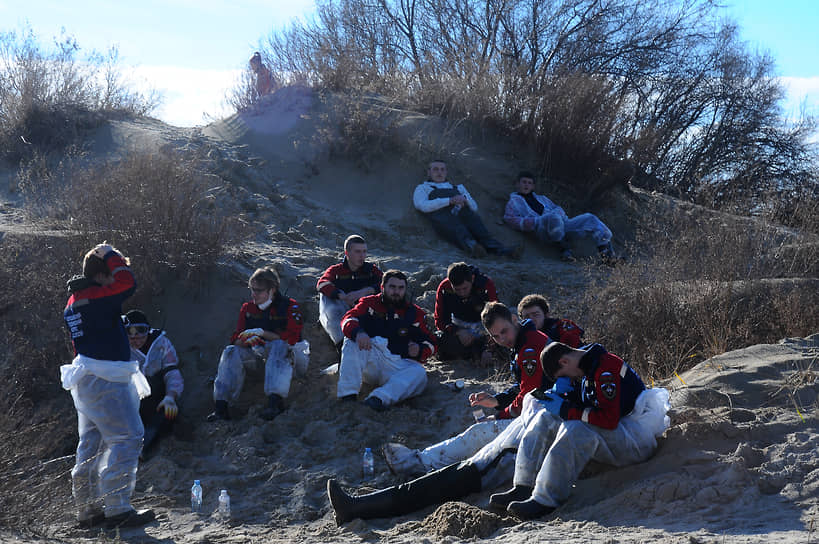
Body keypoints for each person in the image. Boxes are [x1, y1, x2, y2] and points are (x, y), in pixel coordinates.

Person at [327, 342, 670, 525]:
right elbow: (522, 419)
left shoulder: (583, 383)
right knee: (471, 447)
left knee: (452, 477)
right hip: (505, 446)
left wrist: (564, 407)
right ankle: (391, 481)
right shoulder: (554, 396)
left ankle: (363, 506)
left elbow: (584, 421)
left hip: (503, 457)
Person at [490, 341, 670, 519]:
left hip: (634, 438)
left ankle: (546, 499)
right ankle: (523, 486)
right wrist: (562, 395)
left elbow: (609, 419)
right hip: (614, 433)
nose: (570, 379)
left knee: (575, 426)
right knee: (546, 417)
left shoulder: (605, 368)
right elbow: (589, 401)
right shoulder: (584, 363)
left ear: (564, 362)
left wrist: (567, 409)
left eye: (564, 375)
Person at [382, 301, 550, 476]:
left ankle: (420, 463)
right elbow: (524, 386)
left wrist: (500, 415)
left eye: (504, 331)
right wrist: (497, 401)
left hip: (549, 420)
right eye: (496, 336)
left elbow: (530, 395)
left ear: (515, 320)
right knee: (481, 434)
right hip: (544, 413)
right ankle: (423, 461)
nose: (502, 339)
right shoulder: (524, 341)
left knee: (479, 433)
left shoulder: (530, 347)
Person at [60, 243, 155, 529]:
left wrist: (103, 260)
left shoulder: (75, 300)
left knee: (91, 443)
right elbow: (128, 282)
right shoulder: (98, 296)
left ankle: (88, 511)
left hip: (87, 380)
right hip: (106, 380)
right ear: (102, 275)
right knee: (128, 437)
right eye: (110, 272)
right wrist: (110, 254)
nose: (114, 278)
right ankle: (117, 508)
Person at [208, 268, 309, 422]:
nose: (254, 294)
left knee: (278, 345)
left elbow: (292, 338)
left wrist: (263, 333)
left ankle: (275, 403)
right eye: (252, 289)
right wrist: (245, 340)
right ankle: (221, 407)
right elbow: (236, 336)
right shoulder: (248, 308)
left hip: (291, 361)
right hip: (262, 359)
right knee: (231, 351)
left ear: (272, 290)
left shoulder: (289, 306)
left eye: (259, 290)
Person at [337, 269, 436, 411]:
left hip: (396, 365)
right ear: (383, 287)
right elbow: (348, 319)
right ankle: (348, 397)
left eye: (401, 288)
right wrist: (358, 332)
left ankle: (377, 400)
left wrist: (419, 350)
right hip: (371, 358)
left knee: (419, 373)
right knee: (351, 341)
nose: (396, 291)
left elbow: (431, 343)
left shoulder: (415, 313)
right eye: (392, 287)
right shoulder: (369, 304)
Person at [504, 171, 616, 264]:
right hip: (543, 229)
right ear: (517, 184)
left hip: (562, 224)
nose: (526, 185)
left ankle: (608, 256)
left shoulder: (542, 198)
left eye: (529, 183)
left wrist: (558, 215)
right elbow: (510, 219)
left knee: (589, 218)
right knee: (553, 218)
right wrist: (535, 222)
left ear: (533, 186)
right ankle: (565, 251)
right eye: (524, 182)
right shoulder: (513, 202)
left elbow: (558, 208)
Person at [413, 160, 520, 258]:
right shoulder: (423, 188)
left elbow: (474, 207)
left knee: (477, 224)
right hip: (443, 220)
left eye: (442, 169)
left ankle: (502, 250)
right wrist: (449, 200)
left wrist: (464, 199)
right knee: (458, 229)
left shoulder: (458, 187)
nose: (439, 172)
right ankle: (473, 247)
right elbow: (422, 206)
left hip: (463, 215)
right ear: (428, 172)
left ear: (446, 172)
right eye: (435, 169)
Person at [123, 310, 183, 459]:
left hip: (158, 396)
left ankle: (145, 444)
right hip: (131, 397)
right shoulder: (119, 347)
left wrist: (171, 396)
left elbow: (172, 372)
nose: (136, 338)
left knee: (168, 415)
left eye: (140, 331)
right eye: (130, 333)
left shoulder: (161, 343)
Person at [317, 235, 383, 355]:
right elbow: (322, 285)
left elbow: (387, 284)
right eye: (357, 251)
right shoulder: (336, 270)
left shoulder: (371, 270)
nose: (362, 256)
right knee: (327, 296)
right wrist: (342, 296)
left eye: (364, 251)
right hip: (340, 312)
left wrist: (365, 291)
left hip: (364, 311)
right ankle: (340, 345)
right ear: (346, 253)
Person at [434, 262, 498, 364]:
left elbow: (496, 317)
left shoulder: (486, 285)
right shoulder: (444, 288)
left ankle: (479, 351)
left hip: (484, 326)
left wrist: (489, 348)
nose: (462, 293)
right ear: (450, 284)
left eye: (465, 288)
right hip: (458, 324)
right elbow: (439, 320)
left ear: (472, 279)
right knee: (440, 344)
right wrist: (457, 331)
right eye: (457, 290)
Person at [517, 294, 584, 348]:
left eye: (535, 314)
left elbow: (575, 353)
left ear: (546, 314)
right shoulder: (521, 337)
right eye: (526, 317)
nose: (531, 319)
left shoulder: (561, 327)